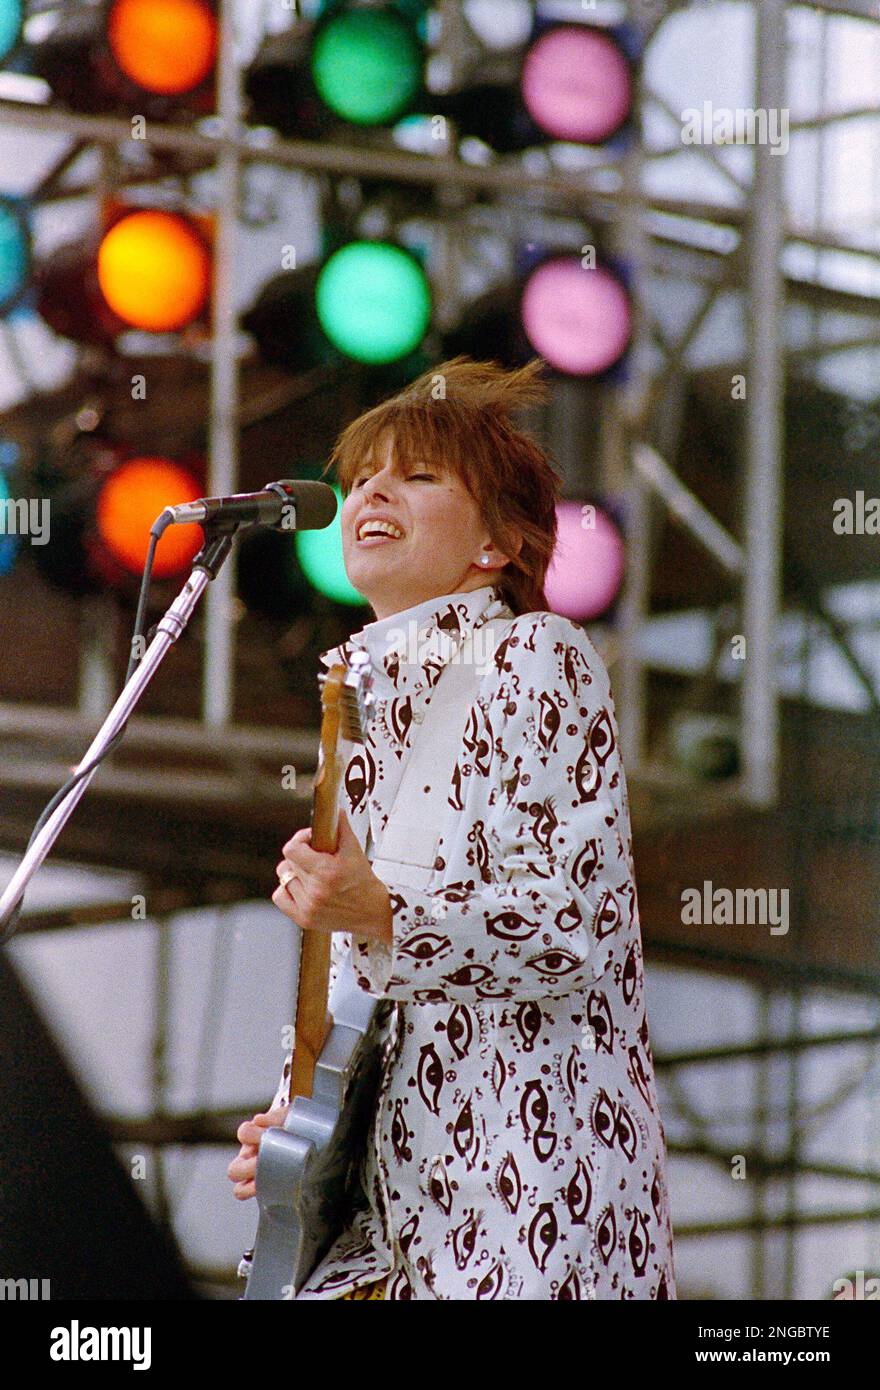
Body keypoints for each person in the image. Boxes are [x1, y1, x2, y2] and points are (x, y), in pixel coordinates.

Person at [228, 355, 676, 1300]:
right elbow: (354, 987)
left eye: (418, 474)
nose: (372, 491)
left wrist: (385, 912)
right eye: (360, 480)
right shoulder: (350, 698)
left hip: (527, 1202)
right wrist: (295, 1121)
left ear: (499, 545)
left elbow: (572, 927)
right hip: (390, 1227)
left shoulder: (534, 656)